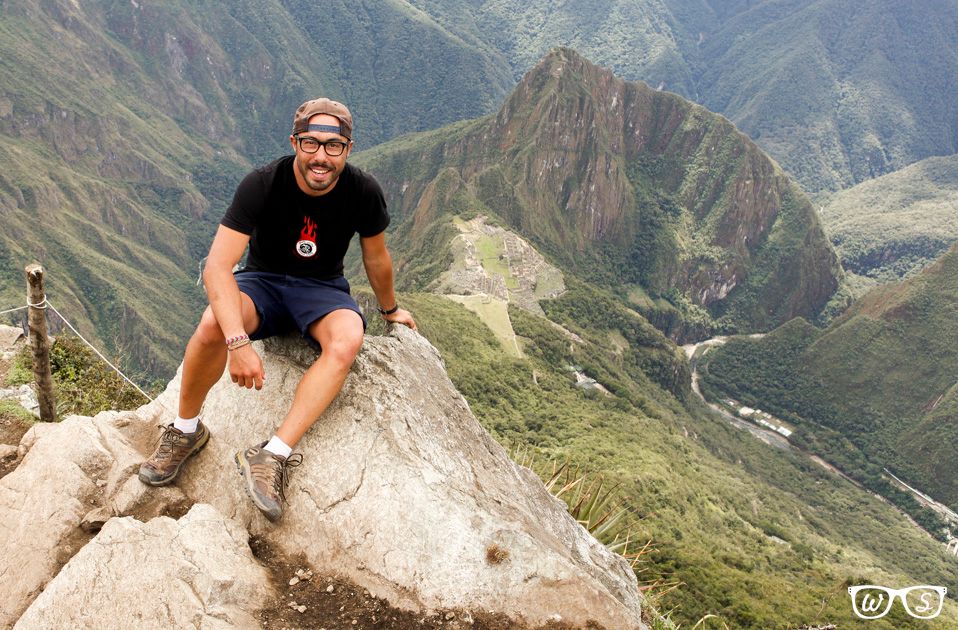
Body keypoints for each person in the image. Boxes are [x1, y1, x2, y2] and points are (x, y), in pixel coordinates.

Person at [138, 97, 416, 521]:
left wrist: (390, 309)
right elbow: (217, 267)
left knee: (347, 340)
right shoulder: (263, 183)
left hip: (321, 289)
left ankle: (272, 454)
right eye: (310, 143)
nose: (321, 156)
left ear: (348, 149)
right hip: (262, 282)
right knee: (213, 322)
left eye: (333, 146)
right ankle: (185, 431)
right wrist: (237, 342)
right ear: (295, 142)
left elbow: (377, 257)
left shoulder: (363, 192)